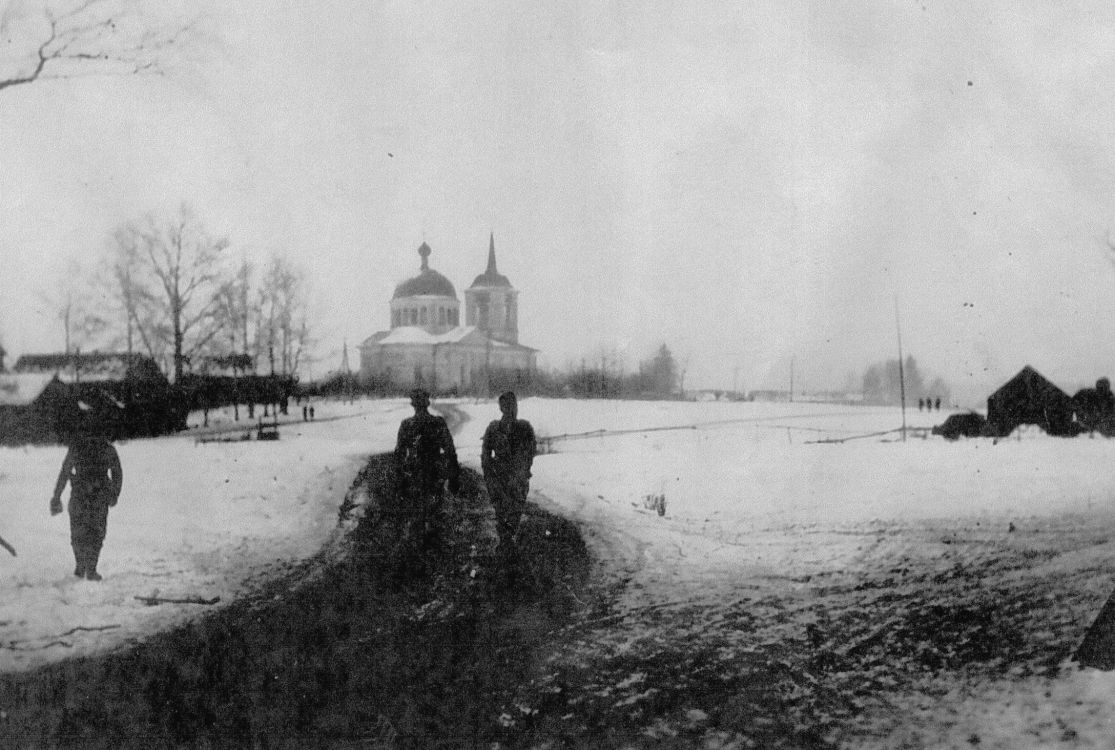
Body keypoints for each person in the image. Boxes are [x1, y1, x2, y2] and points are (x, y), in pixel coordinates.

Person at [50, 419, 123, 581]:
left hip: (87, 495)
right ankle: (87, 567)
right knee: (91, 532)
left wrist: (57, 495)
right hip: (91, 495)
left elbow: (65, 472)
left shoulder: (83, 447)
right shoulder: (105, 448)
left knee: (84, 532)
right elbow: (117, 473)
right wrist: (114, 493)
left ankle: (86, 567)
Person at [393, 389, 460, 554]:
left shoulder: (407, 425)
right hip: (433, 473)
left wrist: (399, 478)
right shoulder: (437, 423)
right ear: (427, 403)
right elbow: (450, 450)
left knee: (417, 516)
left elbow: (399, 454)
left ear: (412, 404)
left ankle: (419, 553)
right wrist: (453, 475)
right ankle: (432, 552)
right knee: (434, 513)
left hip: (415, 475)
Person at [481, 391, 536, 557]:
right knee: (501, 511)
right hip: (499, 477)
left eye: (514, 405)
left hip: (518, 477)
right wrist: (489, 476)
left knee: (515, 510)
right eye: (507, 406)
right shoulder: (493, 428)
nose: (512, 409)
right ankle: (505, 543)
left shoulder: (525, 427)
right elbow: (485, 454)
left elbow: (531, 451)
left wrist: (523, 471)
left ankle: (509, 541)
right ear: (501, 408)